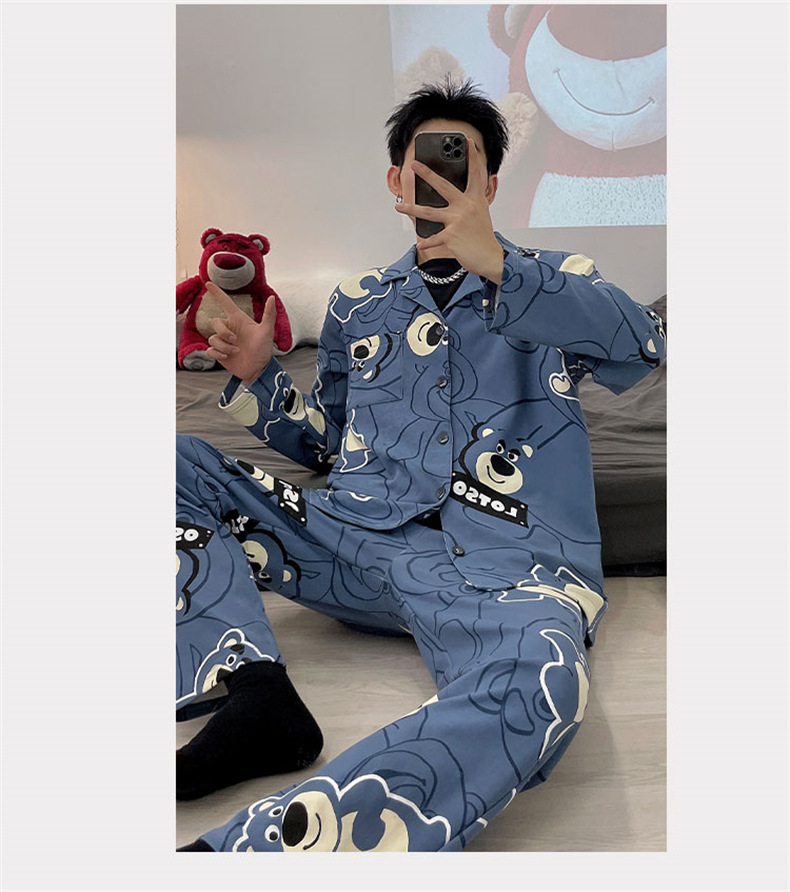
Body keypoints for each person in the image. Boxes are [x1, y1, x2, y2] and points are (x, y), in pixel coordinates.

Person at [176, 79, 665, 852]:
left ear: (490, 184)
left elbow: (642, 350)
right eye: (423, 162)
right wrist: (262, 377)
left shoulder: (557, 276)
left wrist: (500, 264)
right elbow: (327, 445)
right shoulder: (357, 302)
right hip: (355, 542)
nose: (440, 177)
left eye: (460, 163)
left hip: (509, 566)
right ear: (395, 180)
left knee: (544, 677)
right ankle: (254, 693)